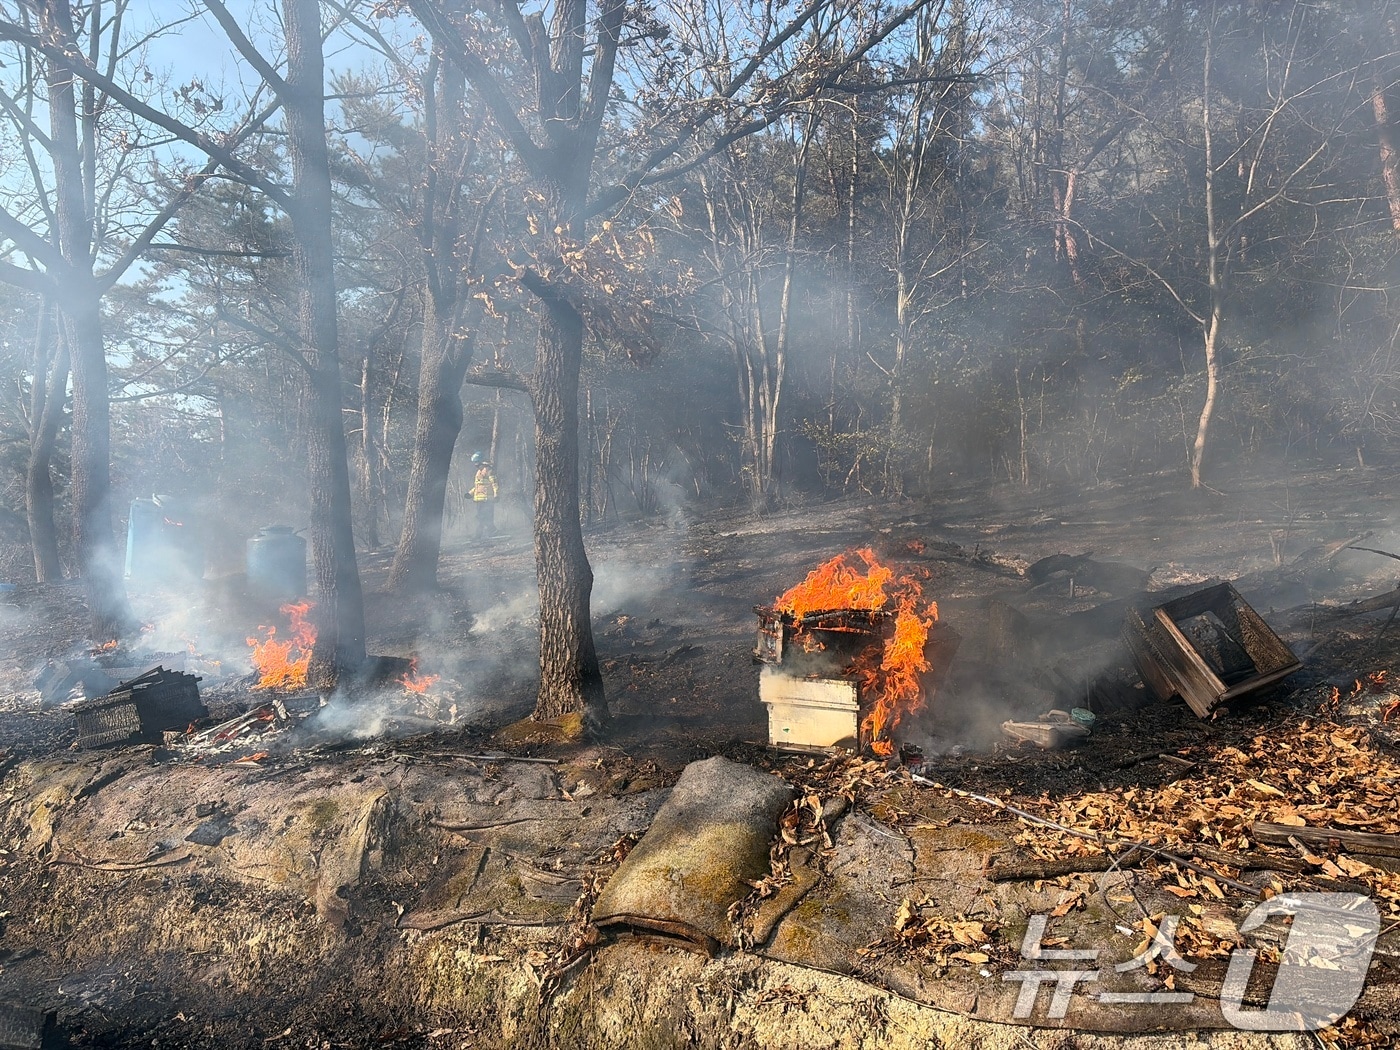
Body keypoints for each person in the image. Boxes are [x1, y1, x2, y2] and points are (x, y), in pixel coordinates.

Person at [470, 452, 498, 538]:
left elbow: (494, 483)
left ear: (481, 461)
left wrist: (496, 494)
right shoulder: (479, 472)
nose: (476, 464)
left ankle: (480, 534)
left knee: (482, 517)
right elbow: (478, 486)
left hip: (487, 499)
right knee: (482, 517)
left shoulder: (488, 470)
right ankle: (491, 531)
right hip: (479, 499)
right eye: (474, 463)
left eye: (477, 462)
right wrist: (470, 493)